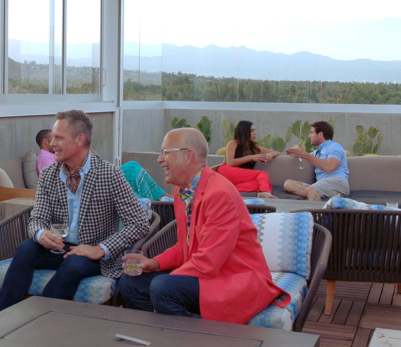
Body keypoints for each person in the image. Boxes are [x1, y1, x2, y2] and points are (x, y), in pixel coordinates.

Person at [119, 128, 288, 322]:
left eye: (165, 152)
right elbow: (185, 247)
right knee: (130, 283)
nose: (159, 159)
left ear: (187, 156)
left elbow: (208, 262)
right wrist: (155, 263)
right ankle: (164, 335)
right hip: (207, 275)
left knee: (162, 287)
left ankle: (191, 344)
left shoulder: (219, 194)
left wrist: (168, 278)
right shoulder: (181, 192)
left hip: (236, 281)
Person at [0, 110, 151, 313]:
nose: (52, 144)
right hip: (59, 247)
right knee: (25, 249)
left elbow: (139, 223)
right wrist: (42, 234)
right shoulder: (49, 174)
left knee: (74, 266)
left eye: (59, 137)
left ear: (79, 139)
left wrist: (101, 249)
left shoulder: (110, 174)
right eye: (52, 137)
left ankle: (41, 323)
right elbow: (37, 218)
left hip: (93, 254)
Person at [283, 121, 350, 201]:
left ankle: (317, 212)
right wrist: (295, 152)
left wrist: (305, 155)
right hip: (321, 184)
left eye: (311, 133)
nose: (309, 136)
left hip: (337, 182)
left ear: (320, 134)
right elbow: (304, 156)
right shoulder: (317, 152)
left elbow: (330, 167)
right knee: (288, 184)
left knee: (311, 189)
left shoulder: (334, 147)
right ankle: (331, 197)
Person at [216, 120, 280, 199]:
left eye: (255, 130)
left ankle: (227, 189)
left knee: (259, 183)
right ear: (244, 132)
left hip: (241, 176)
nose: (255, 133)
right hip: (228, 171)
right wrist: (252, 157)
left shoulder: (254, 147)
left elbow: (278, 153)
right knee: (262, 174)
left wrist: (270, 154)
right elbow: (229, 162)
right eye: (252, 131)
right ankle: (266, 193)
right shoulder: (233, 143)